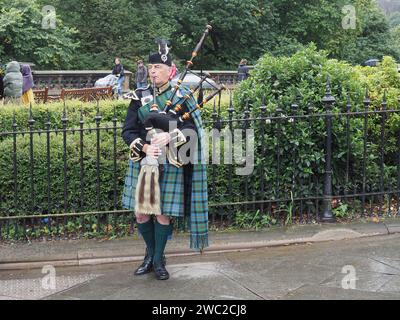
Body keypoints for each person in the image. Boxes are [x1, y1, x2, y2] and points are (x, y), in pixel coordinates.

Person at [121, 41, 209, 280]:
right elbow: (128, 130)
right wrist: (147, 146)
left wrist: (169, 136)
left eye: (158, 67)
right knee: (141, 214)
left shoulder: (183, 97)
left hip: (171, 162)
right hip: (144, 162)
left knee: (162, 214)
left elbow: (192, 130)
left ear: (171, 71)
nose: (153, 71)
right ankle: (150, 254)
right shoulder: (139, 97)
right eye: (151, 67)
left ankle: (158, 260)